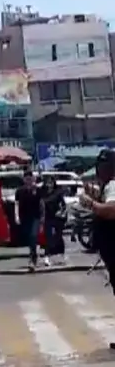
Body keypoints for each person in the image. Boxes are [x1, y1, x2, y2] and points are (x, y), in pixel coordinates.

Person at [79, 149, 115, 350]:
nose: (100, 171)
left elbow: (111, 211)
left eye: (103, 167)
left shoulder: (114, 185)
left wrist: (90, 203)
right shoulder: (109, 186)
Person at [15, 170, 44, 269]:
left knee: (33, 235)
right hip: (25, 217)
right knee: (29, 237)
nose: (28, 181)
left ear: (32, 179)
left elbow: (41, 204)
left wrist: (42, 219)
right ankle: (34, 255)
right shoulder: (19, 191)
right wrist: (17, 216)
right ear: (24, 179)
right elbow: (17, 204)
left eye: (30, 179)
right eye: (26, 179)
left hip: (35, 216)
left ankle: (32, 258)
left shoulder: (37, 190)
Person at [41, 175, 67, 265]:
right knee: (48, 237)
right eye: (47, 182)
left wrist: (60, 211)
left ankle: (62, 254)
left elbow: (63, 205)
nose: (49, 184)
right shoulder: (42, 192)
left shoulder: (57, 192)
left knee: (58, 236)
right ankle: (47, 257)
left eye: (51, 182)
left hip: (57, 217)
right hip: (47, 217)